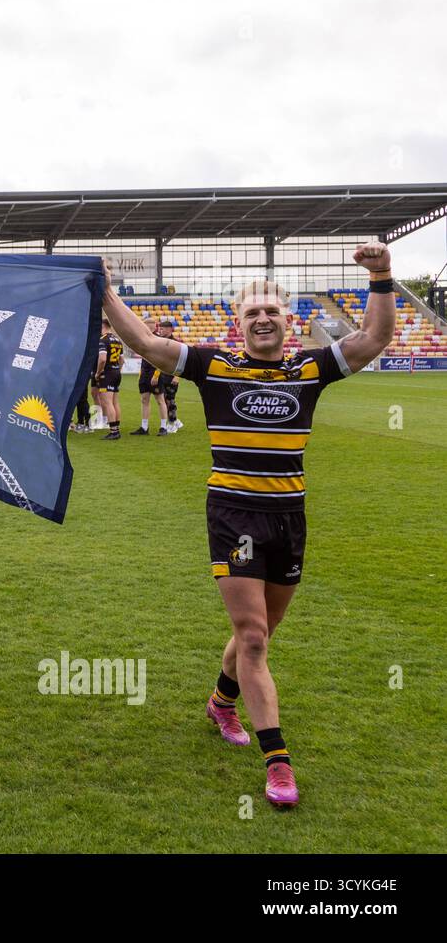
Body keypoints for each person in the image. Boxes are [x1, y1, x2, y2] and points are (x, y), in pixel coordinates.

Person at [99, 243, 395, 807]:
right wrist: (107, 290)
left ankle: (220, 702)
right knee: (254, 637)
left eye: (272, 312)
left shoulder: (311, 367)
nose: (263, 319)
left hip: (289, 516)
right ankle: (278, 763)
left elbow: (374, 338)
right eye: (252, 313)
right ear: (238, 326)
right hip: (232, 516)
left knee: (257, 634)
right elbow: (144, 342)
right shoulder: (214, 366)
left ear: (289, 323)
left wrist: (380, 276)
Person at [132, 319, 168, 435]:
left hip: (155, 373)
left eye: (144, 326)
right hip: (145, 374)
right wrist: (141, 374)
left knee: (160, 400)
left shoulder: (159, 340)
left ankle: (163, 427)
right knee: (144, 399)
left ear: (151, 327)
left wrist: (156, 375)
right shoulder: (144, 339)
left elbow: (162, 360)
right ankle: (144, 427)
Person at [95, 318, 123, 439]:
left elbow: (102, 359)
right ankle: (116, 428)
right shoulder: (117, 340)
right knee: (115, 401)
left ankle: (113, 431)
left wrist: (98, 372)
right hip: (116, 372)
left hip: (107, 373)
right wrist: (117, 369)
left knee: (107, 402)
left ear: (103, 326)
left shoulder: (103, 340)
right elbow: (122, 360)